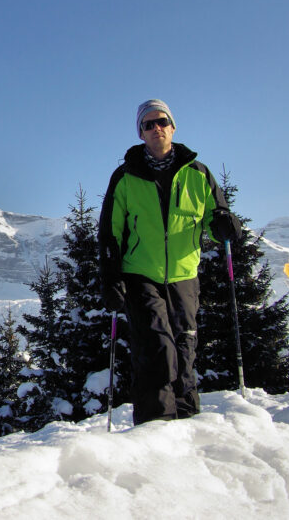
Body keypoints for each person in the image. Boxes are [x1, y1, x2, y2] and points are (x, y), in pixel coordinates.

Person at [98, 99, 241, 425]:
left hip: (184, 274)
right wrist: (111, 276)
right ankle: (154, 429)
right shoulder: (125, 177)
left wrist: (224, 228)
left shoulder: (198, 174)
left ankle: (188, 425)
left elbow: (216, 220)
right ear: (141, 133)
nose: (156, 128)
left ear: (172, 127)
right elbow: (110, 233)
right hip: (140, 274)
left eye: (161, 121)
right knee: (156, 350)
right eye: (148, 124)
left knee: (184, 349)